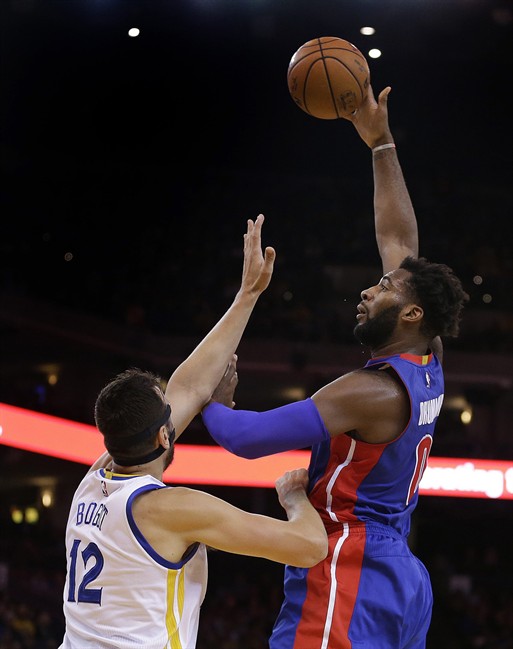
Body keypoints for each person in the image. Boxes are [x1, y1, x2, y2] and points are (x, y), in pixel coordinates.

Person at [201, 86, 469, 649]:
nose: (368, 291)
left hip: (349, 564)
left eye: (382, 288)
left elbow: (247, 440)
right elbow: (398, 239)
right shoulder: (428, 355)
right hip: (398, 573)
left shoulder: (369, 392)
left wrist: (210, 393)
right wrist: (380, 142)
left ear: (411, 312)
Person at [58, 215, 328, 649]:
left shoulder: (94, 479)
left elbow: (190, 387)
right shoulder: (172, 508)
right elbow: (310, 546)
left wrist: (247, 296)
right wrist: (295, 497)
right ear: (165, 436)